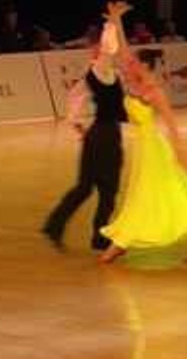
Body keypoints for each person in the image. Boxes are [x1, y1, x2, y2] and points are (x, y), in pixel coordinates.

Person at [98, 1, 187, 265]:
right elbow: (122, 50)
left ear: (146, 67)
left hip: (153, 148)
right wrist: (116, 20)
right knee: (165, 191)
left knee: (148, 194)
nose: (130, 63)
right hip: (142, 147)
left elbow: (171, 122)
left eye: (136, 63)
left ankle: (121, 243)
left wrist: (180, 150)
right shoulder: (134, 82)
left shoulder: (154, 91)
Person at [42, 14, 128, 252]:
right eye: (99, 49)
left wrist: (78, 126)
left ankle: (54, 226)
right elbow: (111, 47)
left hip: (98, 135)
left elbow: (73, 100)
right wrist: (112, 22)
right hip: (106, 137)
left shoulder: (99, 74)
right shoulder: (101, 70)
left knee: (86, 188)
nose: (103, 52)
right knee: (107, 191)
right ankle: (98, 238)